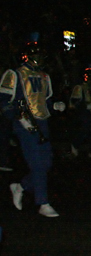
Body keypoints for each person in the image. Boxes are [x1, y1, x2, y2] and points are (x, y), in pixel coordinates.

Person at [1, 42, 65, 217]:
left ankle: (21, 186)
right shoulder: (15, 74)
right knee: (37, 163)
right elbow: (4, 100)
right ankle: (43, 203)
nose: (39, 59)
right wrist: (18, 118)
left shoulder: (44, 76)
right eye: (36, 55)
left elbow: (45, 101)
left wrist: (55, 106)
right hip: (24, 122)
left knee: (46, 163)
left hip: (42, 121)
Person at [69, 64, 91, 158]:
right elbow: (74, 101)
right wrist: (84, 106)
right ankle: (75, 145)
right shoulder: (79, 87)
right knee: (84, 131)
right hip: (84, 113)